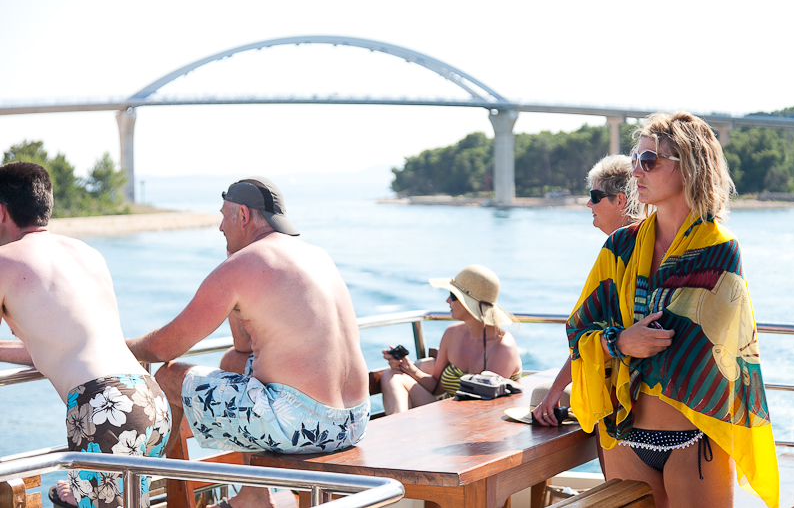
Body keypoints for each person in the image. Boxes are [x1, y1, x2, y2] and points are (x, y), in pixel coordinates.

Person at [566, 112, 778, 508]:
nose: (637, 171)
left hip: (695, 437)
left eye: (650, 161)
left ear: (690, 168)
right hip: (624, 434)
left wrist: (635, 338)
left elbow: (718, 348)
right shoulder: (619, 249)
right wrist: (620, 341)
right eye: (635, 159)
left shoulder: (719, 251)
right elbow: (579, 329)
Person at [126, 176, 370, 508]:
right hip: (353, 421)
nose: (220, 227)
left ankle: (135, 490)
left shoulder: (243, 265)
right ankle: (254, 495)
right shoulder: (317, 255)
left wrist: (119, 348)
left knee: (169, 376)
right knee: (231, 364)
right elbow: (243, 350)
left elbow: (165, 348)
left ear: (243, 215)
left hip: (302, 424)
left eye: (224, 216)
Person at [0, 162, 171, 508]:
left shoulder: (4, 261)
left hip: (104, 408)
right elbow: (57, 344)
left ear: (1, 212)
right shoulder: (87, 253)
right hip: (149, 400)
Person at [533, 154, 644, 426]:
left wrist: (555, 390)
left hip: (624, 402)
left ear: (620, 200)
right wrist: (557, 389)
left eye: (595, 196)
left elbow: (584, 332)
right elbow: (589, 334)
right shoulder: (648, 246)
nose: (588, 203)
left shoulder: (620, 251)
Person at [380, 264, 523, 415]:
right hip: (446, 418)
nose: (447, 300)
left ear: (470, 303)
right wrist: (409, 368)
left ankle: (402, 434)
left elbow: (485, 411)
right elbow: (436, 387)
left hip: (479, 427)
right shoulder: (452, 334)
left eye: (453, 296)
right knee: (390, 375)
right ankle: (400, 431)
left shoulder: (502, 347)